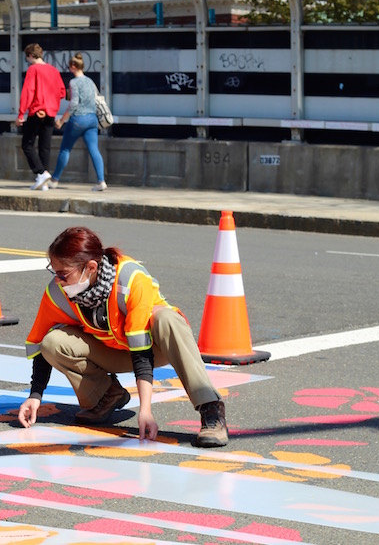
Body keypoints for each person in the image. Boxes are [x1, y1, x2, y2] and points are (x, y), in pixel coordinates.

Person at [17, 226, 228, 448]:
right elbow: (39, 343)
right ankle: (108, 395)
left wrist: (145, 410)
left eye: (63, 274)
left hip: (154, 347)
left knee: (167, 319)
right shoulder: (59, 292)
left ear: (90, 267)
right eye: (55, 272)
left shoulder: (130, 279)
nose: (58, 280)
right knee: (52, 342)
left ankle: (211, 410)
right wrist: (35, 396)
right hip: (112, 351)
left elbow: (141, 354)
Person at [49, 53, 107, 192]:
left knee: (65, 149)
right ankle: (101, 181)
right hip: (92, 119)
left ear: (73, 67)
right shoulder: (90, 81)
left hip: (78, 120)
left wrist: (62, 120)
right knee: (94, 150)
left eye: (69, 67)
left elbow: (74, 104)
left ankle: (55, 180)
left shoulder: (74, 83)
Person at [17, 43, 65, 191]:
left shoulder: (33, 69)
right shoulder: (54, 70)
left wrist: (21, 114)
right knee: (45, 147)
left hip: (37, 112)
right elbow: (62, 92)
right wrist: (50, 103)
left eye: (27, 57)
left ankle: (40, 172)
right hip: (50, 113)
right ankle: (42, 180)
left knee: (27, 144)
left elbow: (28, 92)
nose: (27, 60)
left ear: (31, 55)